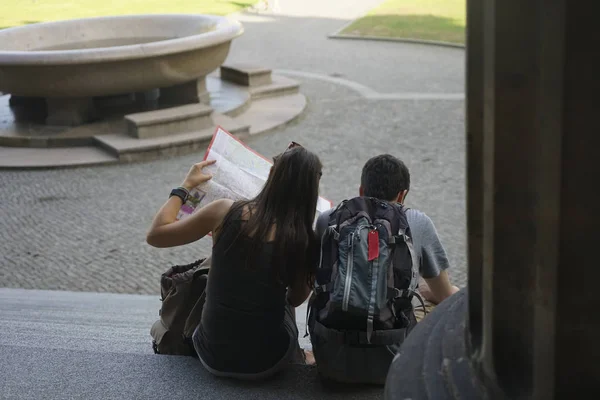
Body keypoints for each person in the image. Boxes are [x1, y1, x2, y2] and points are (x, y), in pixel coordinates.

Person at [146, 142, 322, 380]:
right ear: (312, 191)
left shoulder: (224, 211)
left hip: (211, 352)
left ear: (270, 175)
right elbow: (296, 298)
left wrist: (185, 186)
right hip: (266, 362)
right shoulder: (304, 240)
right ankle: (300, 355)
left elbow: (156, 235)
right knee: (283, 298)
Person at [310, 154, 459, 384]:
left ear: (361, 190)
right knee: (433, 300)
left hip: (332, 361)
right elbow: (444, 294)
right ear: (402, 195)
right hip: (392, 364)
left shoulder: (329, 220)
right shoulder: (417, 222)